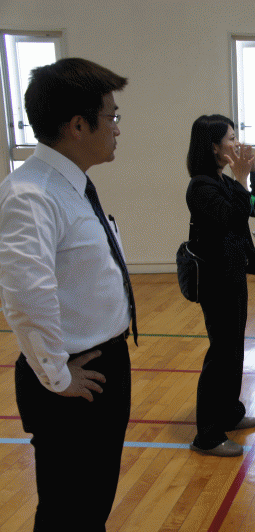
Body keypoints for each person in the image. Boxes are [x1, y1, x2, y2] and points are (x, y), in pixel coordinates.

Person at [0, 58, 133, 531]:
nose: (117, 128)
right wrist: (57, 376)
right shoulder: (31, 194)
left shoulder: (70, 185)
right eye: (111, 116)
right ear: (78, 125)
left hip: (100, 366)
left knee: (91, 507)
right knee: (67, 513)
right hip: (74, 380)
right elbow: (25, 296)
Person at [185, 115, 255, 457]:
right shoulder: (201, 186)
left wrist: (254, 173)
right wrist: (241, 179)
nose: (236, 143)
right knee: (220, 353)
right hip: (216, 280)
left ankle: (230, 413)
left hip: (233, 274)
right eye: (230, 138)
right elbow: (232, 217)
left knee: (234, 348)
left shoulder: (224, 181)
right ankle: (207, 435)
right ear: (214, 147)